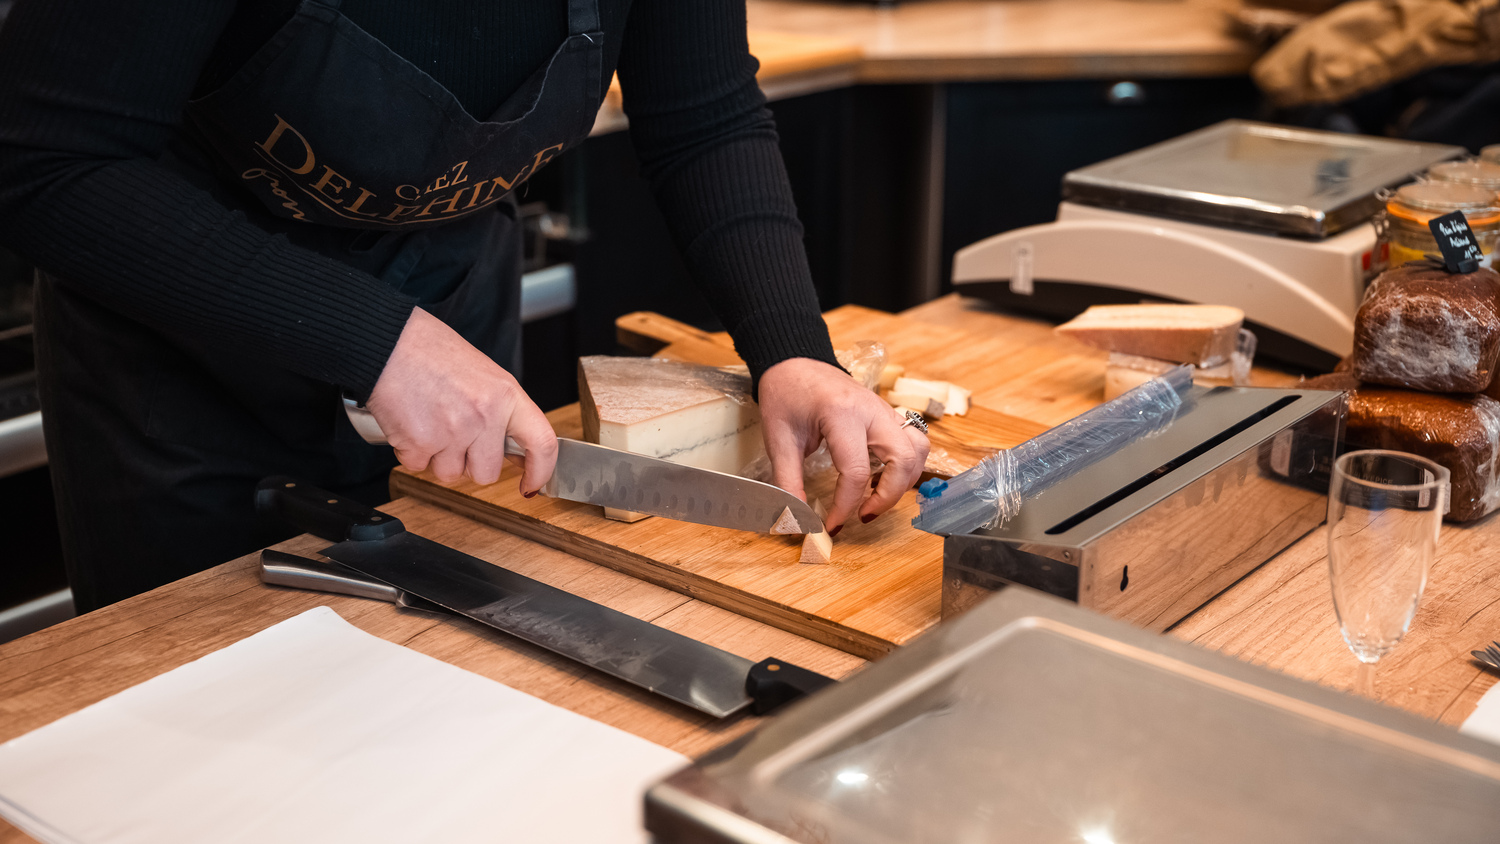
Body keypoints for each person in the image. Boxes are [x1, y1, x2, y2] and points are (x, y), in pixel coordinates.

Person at [0, 0, 929, 613]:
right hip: (185, 360)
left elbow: (704, 116)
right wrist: (374, 341)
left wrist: (791, 347)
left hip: (451, 319)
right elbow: (42, 163)